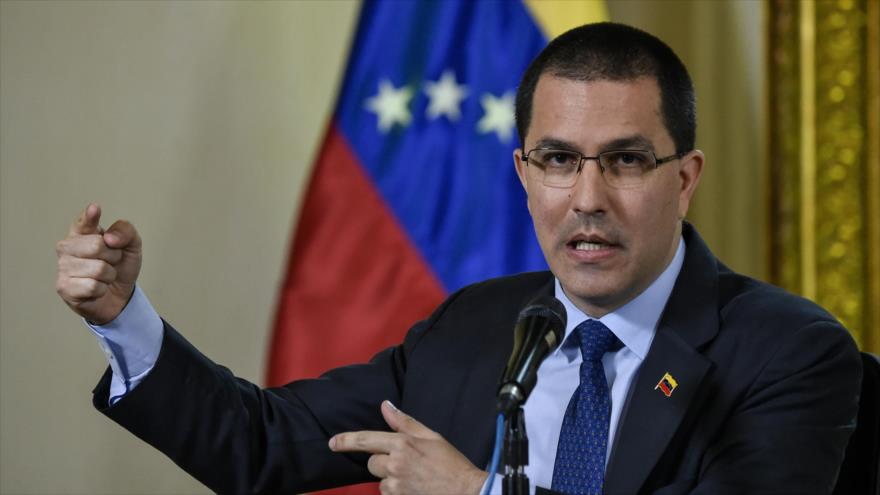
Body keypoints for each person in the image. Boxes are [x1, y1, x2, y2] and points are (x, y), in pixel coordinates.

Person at [55, 23, 862, 495]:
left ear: (684, 179)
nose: (586, 197)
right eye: (556, 158)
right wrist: (124, 318)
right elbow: (258, 441)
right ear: (523, 172)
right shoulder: (472, 328)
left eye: (623, 160)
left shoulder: (789, 350)